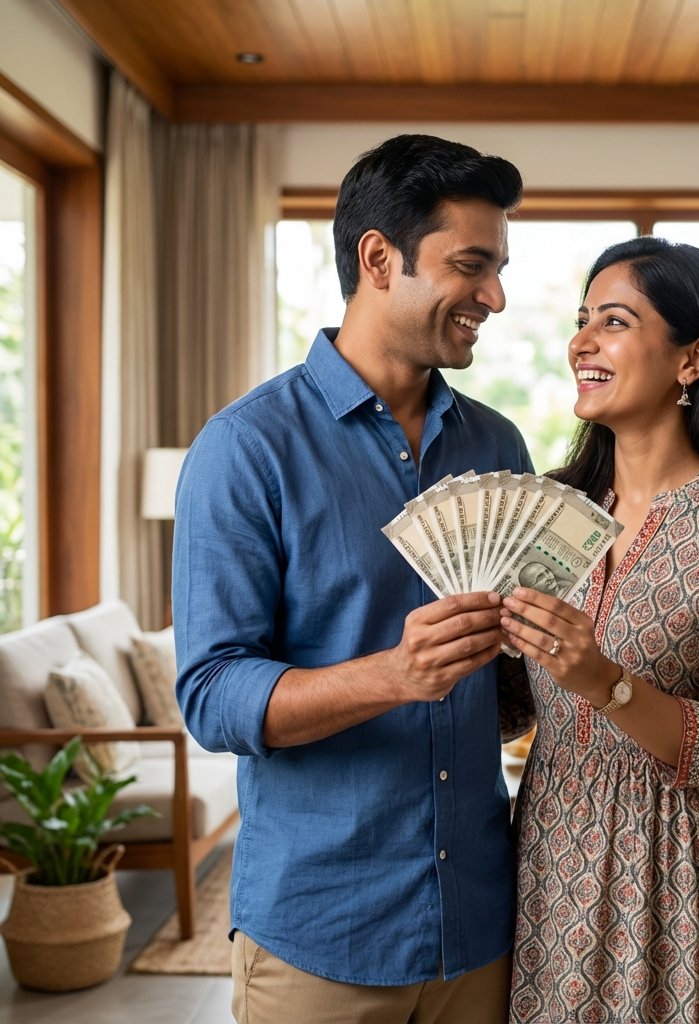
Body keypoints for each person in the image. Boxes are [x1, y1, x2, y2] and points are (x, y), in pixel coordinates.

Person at [172, 134, 534, 1024]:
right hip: (319, 941)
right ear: (379, 258)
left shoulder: (498, 448)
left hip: (481, 932)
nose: (494, 296)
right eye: (471, 265)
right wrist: (393, 675)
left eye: (498, 268)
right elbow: (213, 698)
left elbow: (510, 693)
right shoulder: (245, 449)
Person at [499, 236, 699, 1024]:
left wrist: (603, 680)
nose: (581, 342)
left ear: (692, 358)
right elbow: (514, 706)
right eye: (581, 320)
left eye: (614, 320)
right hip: (549, 861)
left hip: (682, 870)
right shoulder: (553, 510)